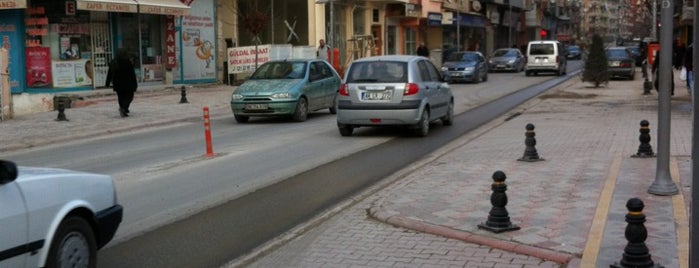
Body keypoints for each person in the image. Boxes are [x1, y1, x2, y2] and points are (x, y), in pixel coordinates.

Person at [105, 48, 138, 117]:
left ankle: (123, 108)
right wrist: (135, 84)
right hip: (127, 83)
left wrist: (107, 83)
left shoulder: (114, 61)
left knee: (121, 97)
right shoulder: (127, 62)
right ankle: (124, 108)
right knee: (129, 96)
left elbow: (109, 73)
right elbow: (132, 74)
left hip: (117, 84)